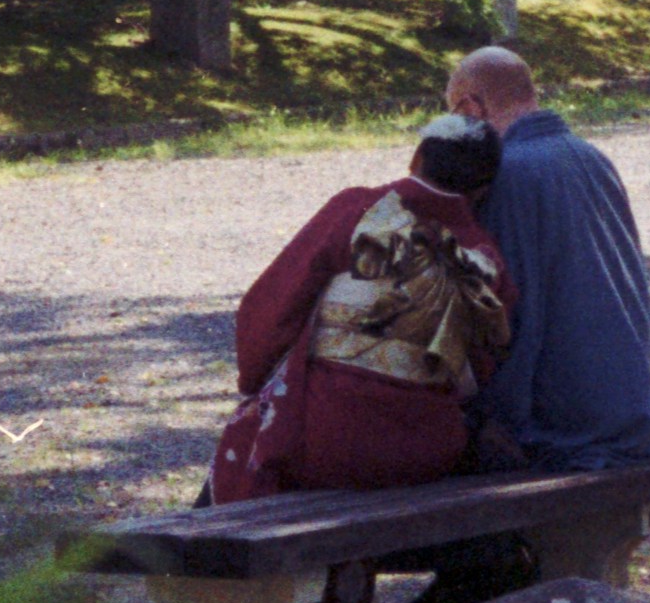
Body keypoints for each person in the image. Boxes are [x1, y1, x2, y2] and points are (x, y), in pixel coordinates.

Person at [383, 44, 650, 603]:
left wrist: (490, 416)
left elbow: (503, 323)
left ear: (471, 107)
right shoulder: (591, 158)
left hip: (570, 434)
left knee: (408, 434)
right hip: (629, 417)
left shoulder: (506, 175)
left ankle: (479, 572)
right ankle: (475, 575)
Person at [211, 114, 518, 507]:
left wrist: (255, 377)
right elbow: (485, 360)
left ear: (416, 159)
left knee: (247, 435)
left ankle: (200, 564)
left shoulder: (358, 211)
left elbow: (272, 307)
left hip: (326, 440)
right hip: (428, 451)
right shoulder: (484, 257)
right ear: (481, 190)